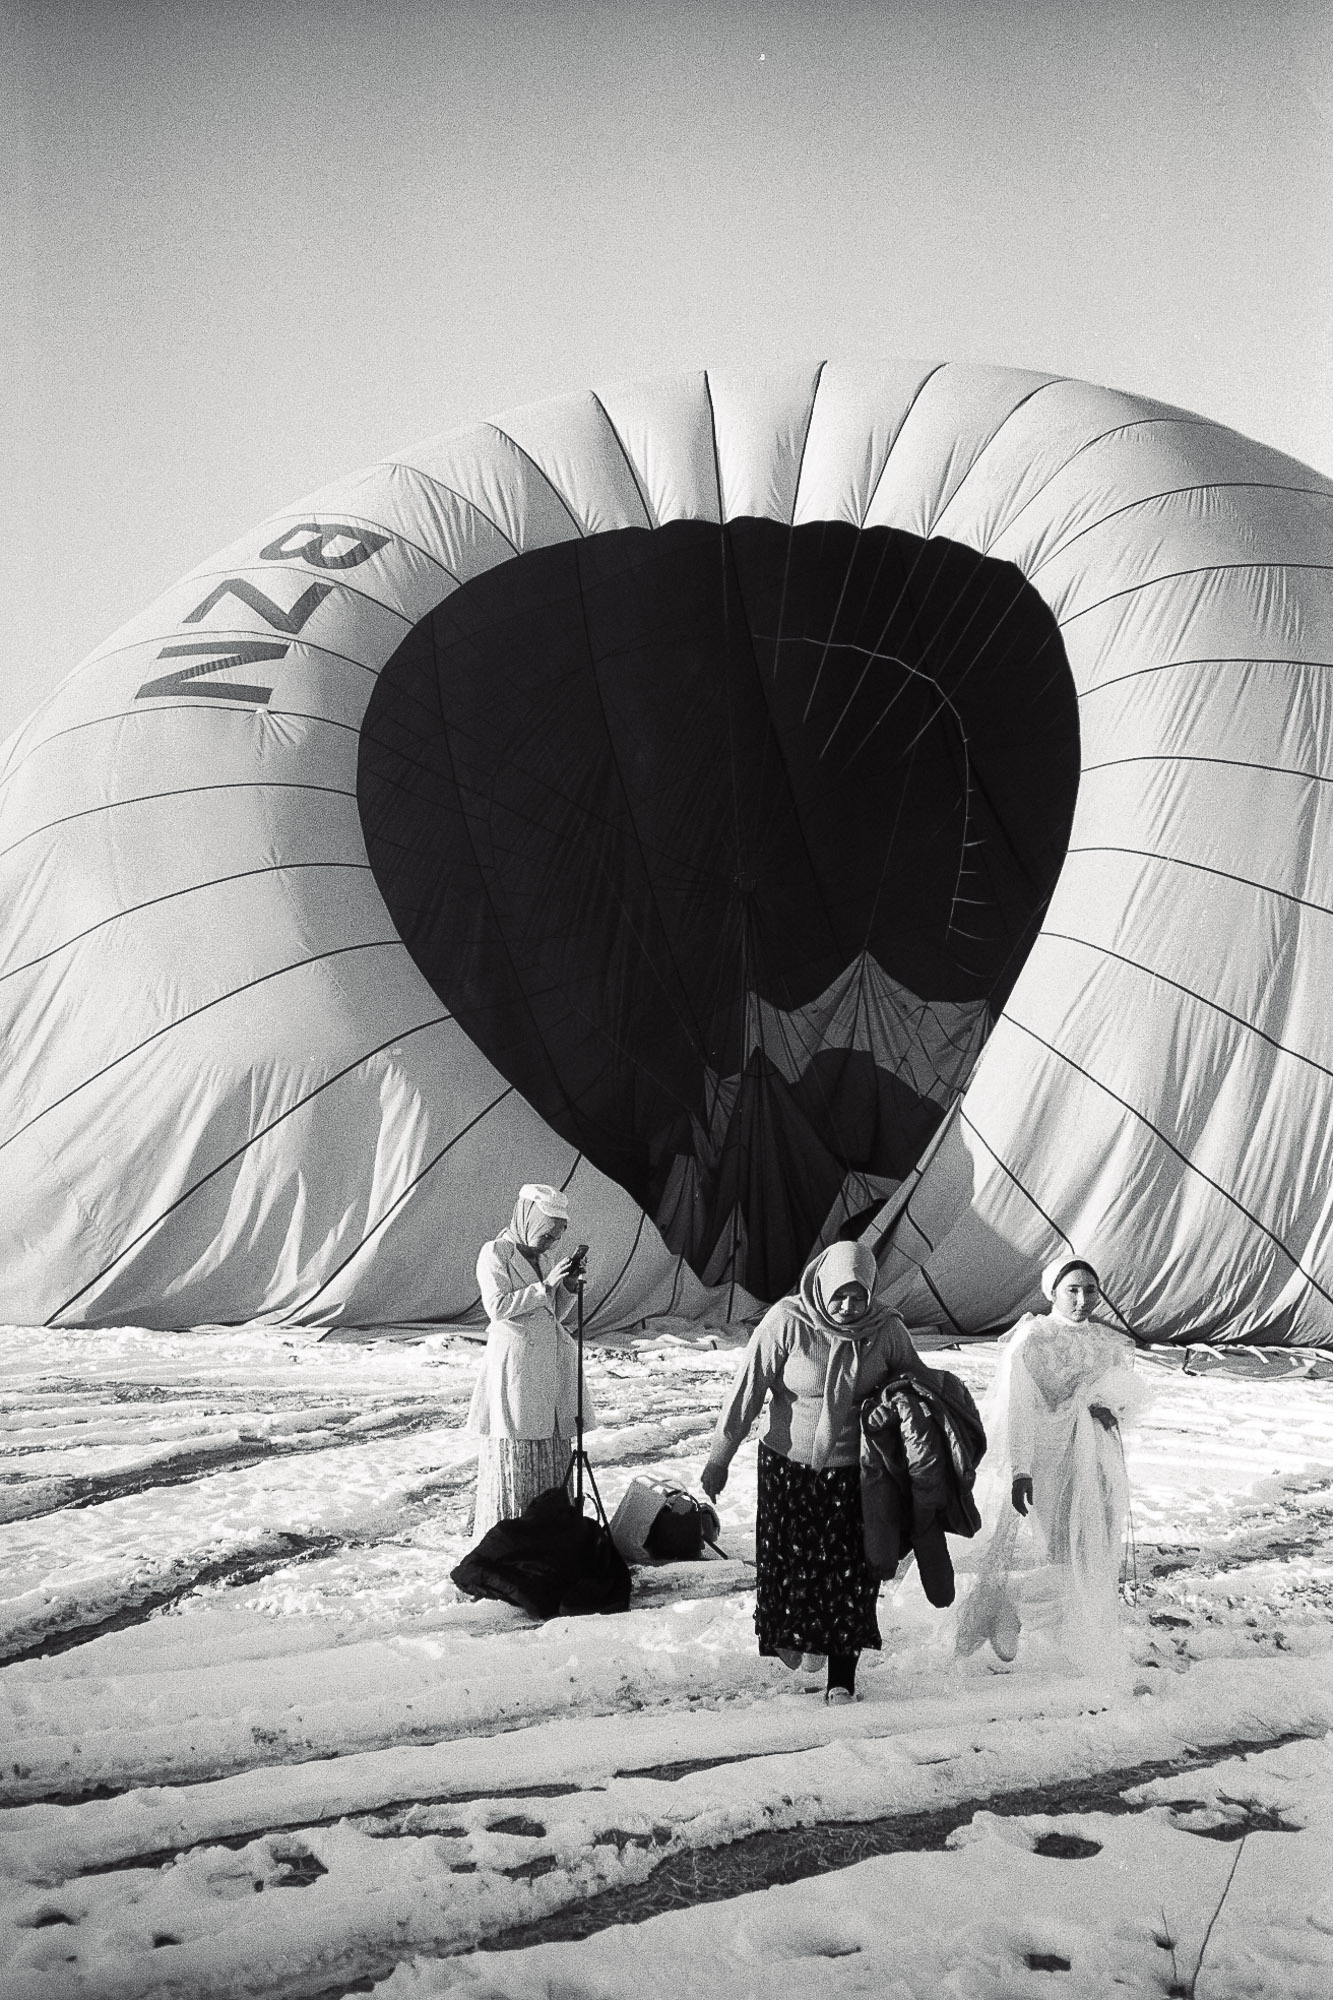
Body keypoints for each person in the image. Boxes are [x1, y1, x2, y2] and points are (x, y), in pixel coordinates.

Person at [700, 1240, 918, 1704]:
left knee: (852, 1573)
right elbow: (748, 1389)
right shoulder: (787, 1322)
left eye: (859, 1297)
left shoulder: (886, 1330)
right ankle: (800, 1639)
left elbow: (918, 1387)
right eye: (840, 1294)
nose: (848, 1306)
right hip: (789, 1468)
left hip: (859, 1472)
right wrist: (719, 1458)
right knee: (791, 1568)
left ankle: (843, 1676)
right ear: (822, 1283)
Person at [954, 1254, 1147, 1677]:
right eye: (1072, 1290)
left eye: (1090, 1290)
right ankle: (1006, 1607)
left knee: (1093, 1548)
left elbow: (1125, 1399)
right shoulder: (1034, 1340)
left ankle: (1077, 1637)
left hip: (1097, 1458)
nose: (1081, 1300)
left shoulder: (1108, 1343)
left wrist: (1110, 1411)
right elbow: (1019, 1408)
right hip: (1052, 1456)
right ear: (1052, 1293)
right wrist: (1021, 1469)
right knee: (1060, 1546)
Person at [467, 1184, 589, 1541]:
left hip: (547, 1363)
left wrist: (565, 1288)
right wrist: (543, 1286)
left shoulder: (546, 1260)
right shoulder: (496, 1253)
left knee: (549, 1438)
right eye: (546, 1234)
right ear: (528, 1220)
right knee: (519, 1441)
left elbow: (555, 1315)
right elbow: (497, 1308)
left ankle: (551, 1528)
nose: (551, 1242)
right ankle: (513, 1532)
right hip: (516, 1364)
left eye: (555, 1236)